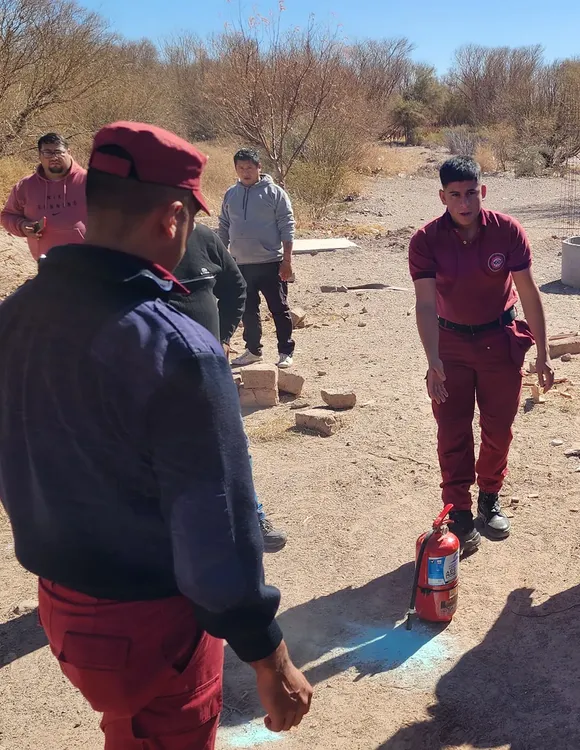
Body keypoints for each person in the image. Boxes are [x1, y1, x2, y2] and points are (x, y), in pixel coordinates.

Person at [0, 121, 312, 748]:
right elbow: (216, 527)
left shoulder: (14, 317)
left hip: (62, 608)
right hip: (149, 623)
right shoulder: (178, 350)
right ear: (173, 220)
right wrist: (267, 653)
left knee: (127, 729)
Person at [409, 156, 554, 551]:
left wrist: (542, 352)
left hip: (499, 341)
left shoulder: (506, 231)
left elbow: (527, 291)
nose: (464, 203)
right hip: (450, 344)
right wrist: (433, 360)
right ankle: (458, 509)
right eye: (454, 195)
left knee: (498, 428)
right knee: (452, 428)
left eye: (471, 193)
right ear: (442, 197)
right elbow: (424, 304)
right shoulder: (425, 240)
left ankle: (490, 495)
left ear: (482, 192)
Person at [167, 221, 288, 552]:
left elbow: (235, 286)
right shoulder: (125, 246)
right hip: (154, 376)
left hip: (208, 368)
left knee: (233, 446)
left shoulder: (202, 237)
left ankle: (250, 517)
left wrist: (221, 336)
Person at [219, 147, 297, 369]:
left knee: (279, 309)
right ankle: (253, 350)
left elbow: (287, 226)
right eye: (241, 168)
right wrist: (222, 258)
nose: (245, 172)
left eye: (250, 167)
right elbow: (224, 226)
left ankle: (285, 351)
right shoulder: (230, 194)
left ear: (259, 167)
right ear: (236, 169)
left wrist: (287, 261)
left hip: (271, 262)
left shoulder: (274, 193)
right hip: (240, 264)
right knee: (247, 310)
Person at [1, 132, 87, 261]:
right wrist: (22, 226)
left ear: (69, 152)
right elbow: (7, 216)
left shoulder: (90, 181)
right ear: (40, 155)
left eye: (58, 152)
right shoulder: (25, 186)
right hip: (46, 264)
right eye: (47, 153)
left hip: (88, 263)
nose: (54, 157)